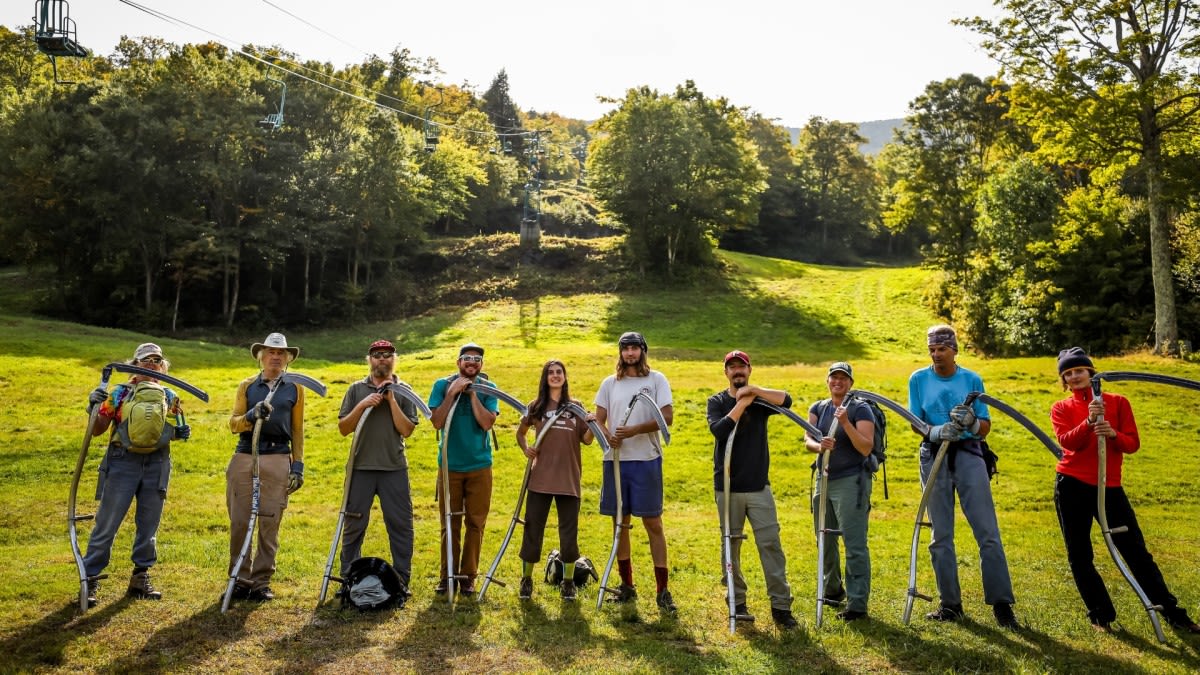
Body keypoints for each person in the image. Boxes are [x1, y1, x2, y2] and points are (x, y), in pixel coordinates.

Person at [1049, 347, 1200, 634]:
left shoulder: (1118, 403)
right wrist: (1090, 422)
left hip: (1110, 487)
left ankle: (1173, 613)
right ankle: (1100, 615)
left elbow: (1132, 444)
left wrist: (1114, 434)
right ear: (1064, 381)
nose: (1074, 376)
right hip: (1072, 485)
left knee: (1135, 551)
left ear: (1090, 372)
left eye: (1078, 370)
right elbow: (1068, 443)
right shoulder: (1061, 408)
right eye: (1067, 374)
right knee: (1079, 554)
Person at [907, 324, 1018, 628]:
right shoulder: (918, 379)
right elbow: (915, 420)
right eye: (932, 349)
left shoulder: (971, 379)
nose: (936, 354)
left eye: (941, 349)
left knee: (987, 532)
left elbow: (985, 425)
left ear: (954, 350)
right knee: (940, 535)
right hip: (934, 456)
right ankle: (950, 604)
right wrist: (933, 430)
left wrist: (970, 422)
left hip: (969, 455)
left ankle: (1001, 603)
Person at [81, 343, 190, 606]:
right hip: (122, 462)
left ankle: (140, 577)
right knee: (107, 523)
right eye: (145, 360)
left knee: (149, 524)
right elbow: (98, 429)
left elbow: (170, 427)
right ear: (135, 364)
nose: (152, 364)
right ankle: (90, 580)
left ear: (162, 366)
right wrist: (93, 406)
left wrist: (180, 432)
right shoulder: (119, 393)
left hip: (157, 463)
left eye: (157, 360)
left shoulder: (168, 394)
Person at [707, 350, 798, 629]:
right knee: (730, 546)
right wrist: (741, 404)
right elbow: (720, 431)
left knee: (770, 544)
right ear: (725, 372)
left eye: (742, 368)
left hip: (759, 487)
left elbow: (787, 400)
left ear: (749, 370)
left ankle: (781, 606)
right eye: (732, 368)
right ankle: (737, 601)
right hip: (728, 488)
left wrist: (754, 392)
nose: (737, 372)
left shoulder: (761, 400)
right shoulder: (717, 401)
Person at [594, 331, 677, 613]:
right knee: (620, 525)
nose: (630, 353)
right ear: (620, 352)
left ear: (643, 350)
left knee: (653, 523)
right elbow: (599, 420)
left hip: (646, 459)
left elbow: (666, 417)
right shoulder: (609, 383)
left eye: (634, 348)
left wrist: (633, 431)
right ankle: (626, 586)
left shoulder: (656, 380)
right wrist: (609, 438)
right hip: (615, 461)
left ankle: (662, 590)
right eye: (625, 349)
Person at [336, 339, 419, 599]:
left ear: (394, 359)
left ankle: (402, 581)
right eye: (376, 355)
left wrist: (392, 398)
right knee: (353, 526)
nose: (381, 359)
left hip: (393, 467)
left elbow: (406, 430)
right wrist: (363, 405)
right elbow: (343, 428)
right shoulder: (355, 389)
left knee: (400, 525)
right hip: (360, 468)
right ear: (369, 359)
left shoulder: (405, 391)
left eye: (387, 355)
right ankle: (347, 580)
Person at [226, 332, 306, 602]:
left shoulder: (295, 388)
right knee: (240, 520)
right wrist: (251, 415)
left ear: (287, 359)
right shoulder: (247, 386)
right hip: (246, 454)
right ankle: (239, 578)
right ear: (261, 356)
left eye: (281, 353)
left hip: (278, 456)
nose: (275, 356)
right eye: (271, 352)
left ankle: (261, 581)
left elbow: (297, 429)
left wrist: (298, 465)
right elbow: (234, 423)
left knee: (269, 520)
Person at [514, 359, 596, 601]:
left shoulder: (576, 407)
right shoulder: (536, 405)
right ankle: (526, 579)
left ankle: (568, 582)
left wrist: (593, 423)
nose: (555, 375)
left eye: (559, 372)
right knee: (532, 530)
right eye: (551, 372)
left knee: (569, 535)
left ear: (565, 377)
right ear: (545, 378)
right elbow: (520, 433)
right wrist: (526, 449)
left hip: (569, 480)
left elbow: (588, 440)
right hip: (540, 479)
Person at [805, 361, 875, 622]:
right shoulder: (818, 408)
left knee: (854, 543)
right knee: (824, 538)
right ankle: (832, 590)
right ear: (827, 381)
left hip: (851, 482)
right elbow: (807, 440)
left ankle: (857, 604)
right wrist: (819, 446)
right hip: (823, 480)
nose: (838, 382)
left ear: (850, 383)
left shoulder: (860, 409)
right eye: (834, 377)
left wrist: (845, 423)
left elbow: (866, 447)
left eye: (843, 378)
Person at [428, 342, 499, 595]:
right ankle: (447, 576)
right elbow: (436, 422)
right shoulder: (442, 385)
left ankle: (468, 576)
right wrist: (452, 394)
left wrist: (471, 395)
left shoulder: (488, 389)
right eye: (467, 358)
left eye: (477, 359)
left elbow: (487, 423)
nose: (472, 362)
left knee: (475, 522)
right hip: (449, 466)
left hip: (479, 465)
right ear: (458, 362)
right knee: (449, 522)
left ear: (481, 365)